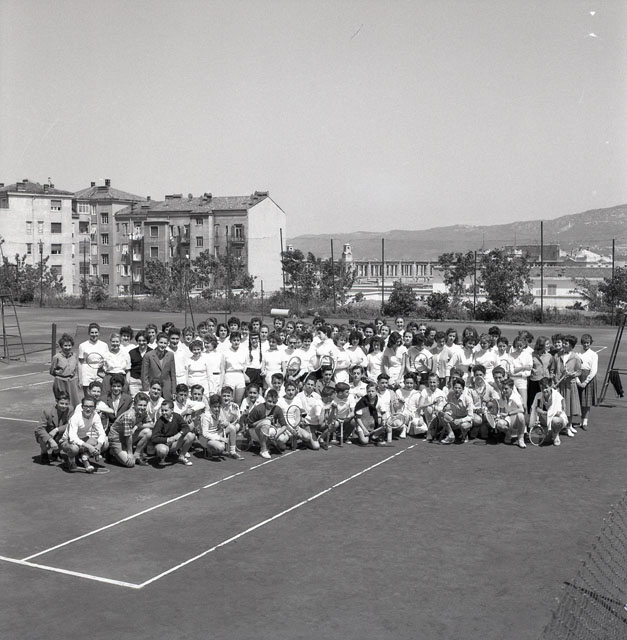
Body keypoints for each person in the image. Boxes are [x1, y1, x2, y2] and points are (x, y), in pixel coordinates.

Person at [60, 396, 107, 473]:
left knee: (105, 443)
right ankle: (70, 461)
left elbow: (102, 433)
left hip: (83, 439)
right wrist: (90, 447)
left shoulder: (95, 416)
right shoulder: (75, 417)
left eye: (91, 407)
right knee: (74, 449)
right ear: (82, 407)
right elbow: (72, 438)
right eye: (86, 406)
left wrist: (98, 447)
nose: (88, 409)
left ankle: (84, 457)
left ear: (94, 408)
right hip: (67, 441)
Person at [106, 392, 152, 467]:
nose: (142, 407)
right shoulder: (129, 416)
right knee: (130, 463)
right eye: (140, 405)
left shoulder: (143, 412)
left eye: (144, 405)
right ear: (134, 404)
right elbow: (128, 436)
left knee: (148, 432)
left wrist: (138, 426)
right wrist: (130, 453)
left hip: (127, 437)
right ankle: (111, 452)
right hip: (117, 439)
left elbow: (152, 424)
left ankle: (137, 455)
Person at [197, 394, 244, 460]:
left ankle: (232, 452)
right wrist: (221, 438)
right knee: (221, 447)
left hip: (216, 433)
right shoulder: (206, 416)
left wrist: (233, 416)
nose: (217, 409)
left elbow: (225, 423)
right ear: (210, 406)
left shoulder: (220, 411)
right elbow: (205, 434)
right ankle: (208, 450)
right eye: (215, 407)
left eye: (218, 407)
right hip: (205, 439)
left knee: (232, 428)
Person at [151, 400, 197, 466]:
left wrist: (179, 434)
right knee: (162, 450)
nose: (163, 413)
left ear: (172, 410)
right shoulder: (160, 421)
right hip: (164, 444)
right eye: (162, 410)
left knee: (191, 435)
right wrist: (167, 440)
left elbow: (186, 427)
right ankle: (162, 459)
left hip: (174, 443)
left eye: (166, 410)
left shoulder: (177, 416)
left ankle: (182, 456)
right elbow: (154, 438)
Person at [247, 388, 289, 459]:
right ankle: (263, 450)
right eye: (269, 401)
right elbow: (250, 425)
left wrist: (277, 435)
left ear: (277, 401)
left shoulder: (277, 409)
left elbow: (284, 426)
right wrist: (264, 420)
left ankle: (268, 444)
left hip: (269, 430)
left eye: (274, 402)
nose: (271, 404)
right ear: (265, 399)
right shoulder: (258, 409)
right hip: (254, 431)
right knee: (267, 422)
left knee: (282, 439)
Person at [554, 334, 582, 433]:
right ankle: (563, 427)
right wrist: (555, 379)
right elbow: (553, 369)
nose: (563, 345)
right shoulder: (557, 355)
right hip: (559, 385)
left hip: (570, 385)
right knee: (560, 407)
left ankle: (569, 425)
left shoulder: (576, 357)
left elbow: (579, 371)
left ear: (571, 346)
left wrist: (573, 374)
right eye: (564, 343)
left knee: (570, 407)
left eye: (566, 343)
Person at [529, 377, 568, 446]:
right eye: (542, 388)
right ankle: (549, 433)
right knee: (532, 417)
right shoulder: (538, 395)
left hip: (559, 418)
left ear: (550, 387)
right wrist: (535, 418)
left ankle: (556, 434)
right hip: (548, 417)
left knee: (555, 421)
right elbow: (533, 409)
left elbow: (557, 413)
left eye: (546, 387)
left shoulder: (556, 395)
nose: (544, 390)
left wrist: (542, 412)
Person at [34, 392, 71, 464]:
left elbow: (70, 424)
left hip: (59, 433)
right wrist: (51, 440)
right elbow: (40, 428)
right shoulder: (47, 411)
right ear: (56, 401)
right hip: (48, 434)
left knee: (69, 434)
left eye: (66, 404)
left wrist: (57, 430)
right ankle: (44, 453)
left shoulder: (70, 410)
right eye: (62, 403)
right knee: (43, 438)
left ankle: (56, 453)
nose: (64, 406)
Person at [141, 332, 176, 400]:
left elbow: (173, 375)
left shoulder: (170, 355)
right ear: (157, 342)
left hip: (166, 389)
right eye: (161, 342)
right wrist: (146, 390)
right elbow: (144, 376)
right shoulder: (148, 355)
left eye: (165, 343)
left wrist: (174, 391)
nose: (163, 345)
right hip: (153, 389)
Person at [49, 333, 81, 407]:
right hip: (60, 381)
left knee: (74, 401)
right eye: (65, 345)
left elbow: (75, 368)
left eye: (69, 345)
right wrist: (60, 373)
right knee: (62, 400)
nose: (67, 347)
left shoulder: (74, 356)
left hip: (72, 381)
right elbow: (52, 371)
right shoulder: (57, 357)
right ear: (61, 346)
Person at [77, 322, 109, 395]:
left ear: (99, 333)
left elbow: (107, 361)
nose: (94, 334)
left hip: (100, 373)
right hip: (87, 374)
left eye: (96, 332)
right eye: (92, 332)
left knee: (101, 395)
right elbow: (80, 363)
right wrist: (80, 379)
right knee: (88, 396)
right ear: (89, 333)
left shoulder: (104, 345)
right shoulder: (82, 345)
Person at [495, 379, 527, 449]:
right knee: (499, 424)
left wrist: (508, 414)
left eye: (506, 389)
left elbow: (522, 409)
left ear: (511, 388)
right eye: (503, 388)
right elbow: (502, 411)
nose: (504, 390)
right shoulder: (502, 397)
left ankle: (521, 438)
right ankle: (508, 433)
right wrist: (498, 417)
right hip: (508, 420)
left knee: (521, 416)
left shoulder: (516, 397)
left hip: (516, 421)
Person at [577, 333, 598, 431]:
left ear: (590, 343)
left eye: (588, 343)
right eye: (584, 343)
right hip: (579, 377)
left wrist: (586, 381)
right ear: (582, 343)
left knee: (587, 402)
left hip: (589, 379)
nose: (586, 344)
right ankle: (581, 421)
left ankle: (585, 422)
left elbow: (594, 370)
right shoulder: (578, 353)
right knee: (581, 401)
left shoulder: (594, 354)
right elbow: (576, 367)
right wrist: (578, 381)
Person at [128, 330, 151, 397]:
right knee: (134, 399)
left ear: (147, 341)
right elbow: (128, 368)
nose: (141, 343)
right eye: (139, 341)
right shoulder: (132, 352)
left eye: (144, 341)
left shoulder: (152, 352)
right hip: (134, 381)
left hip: (147, 382)